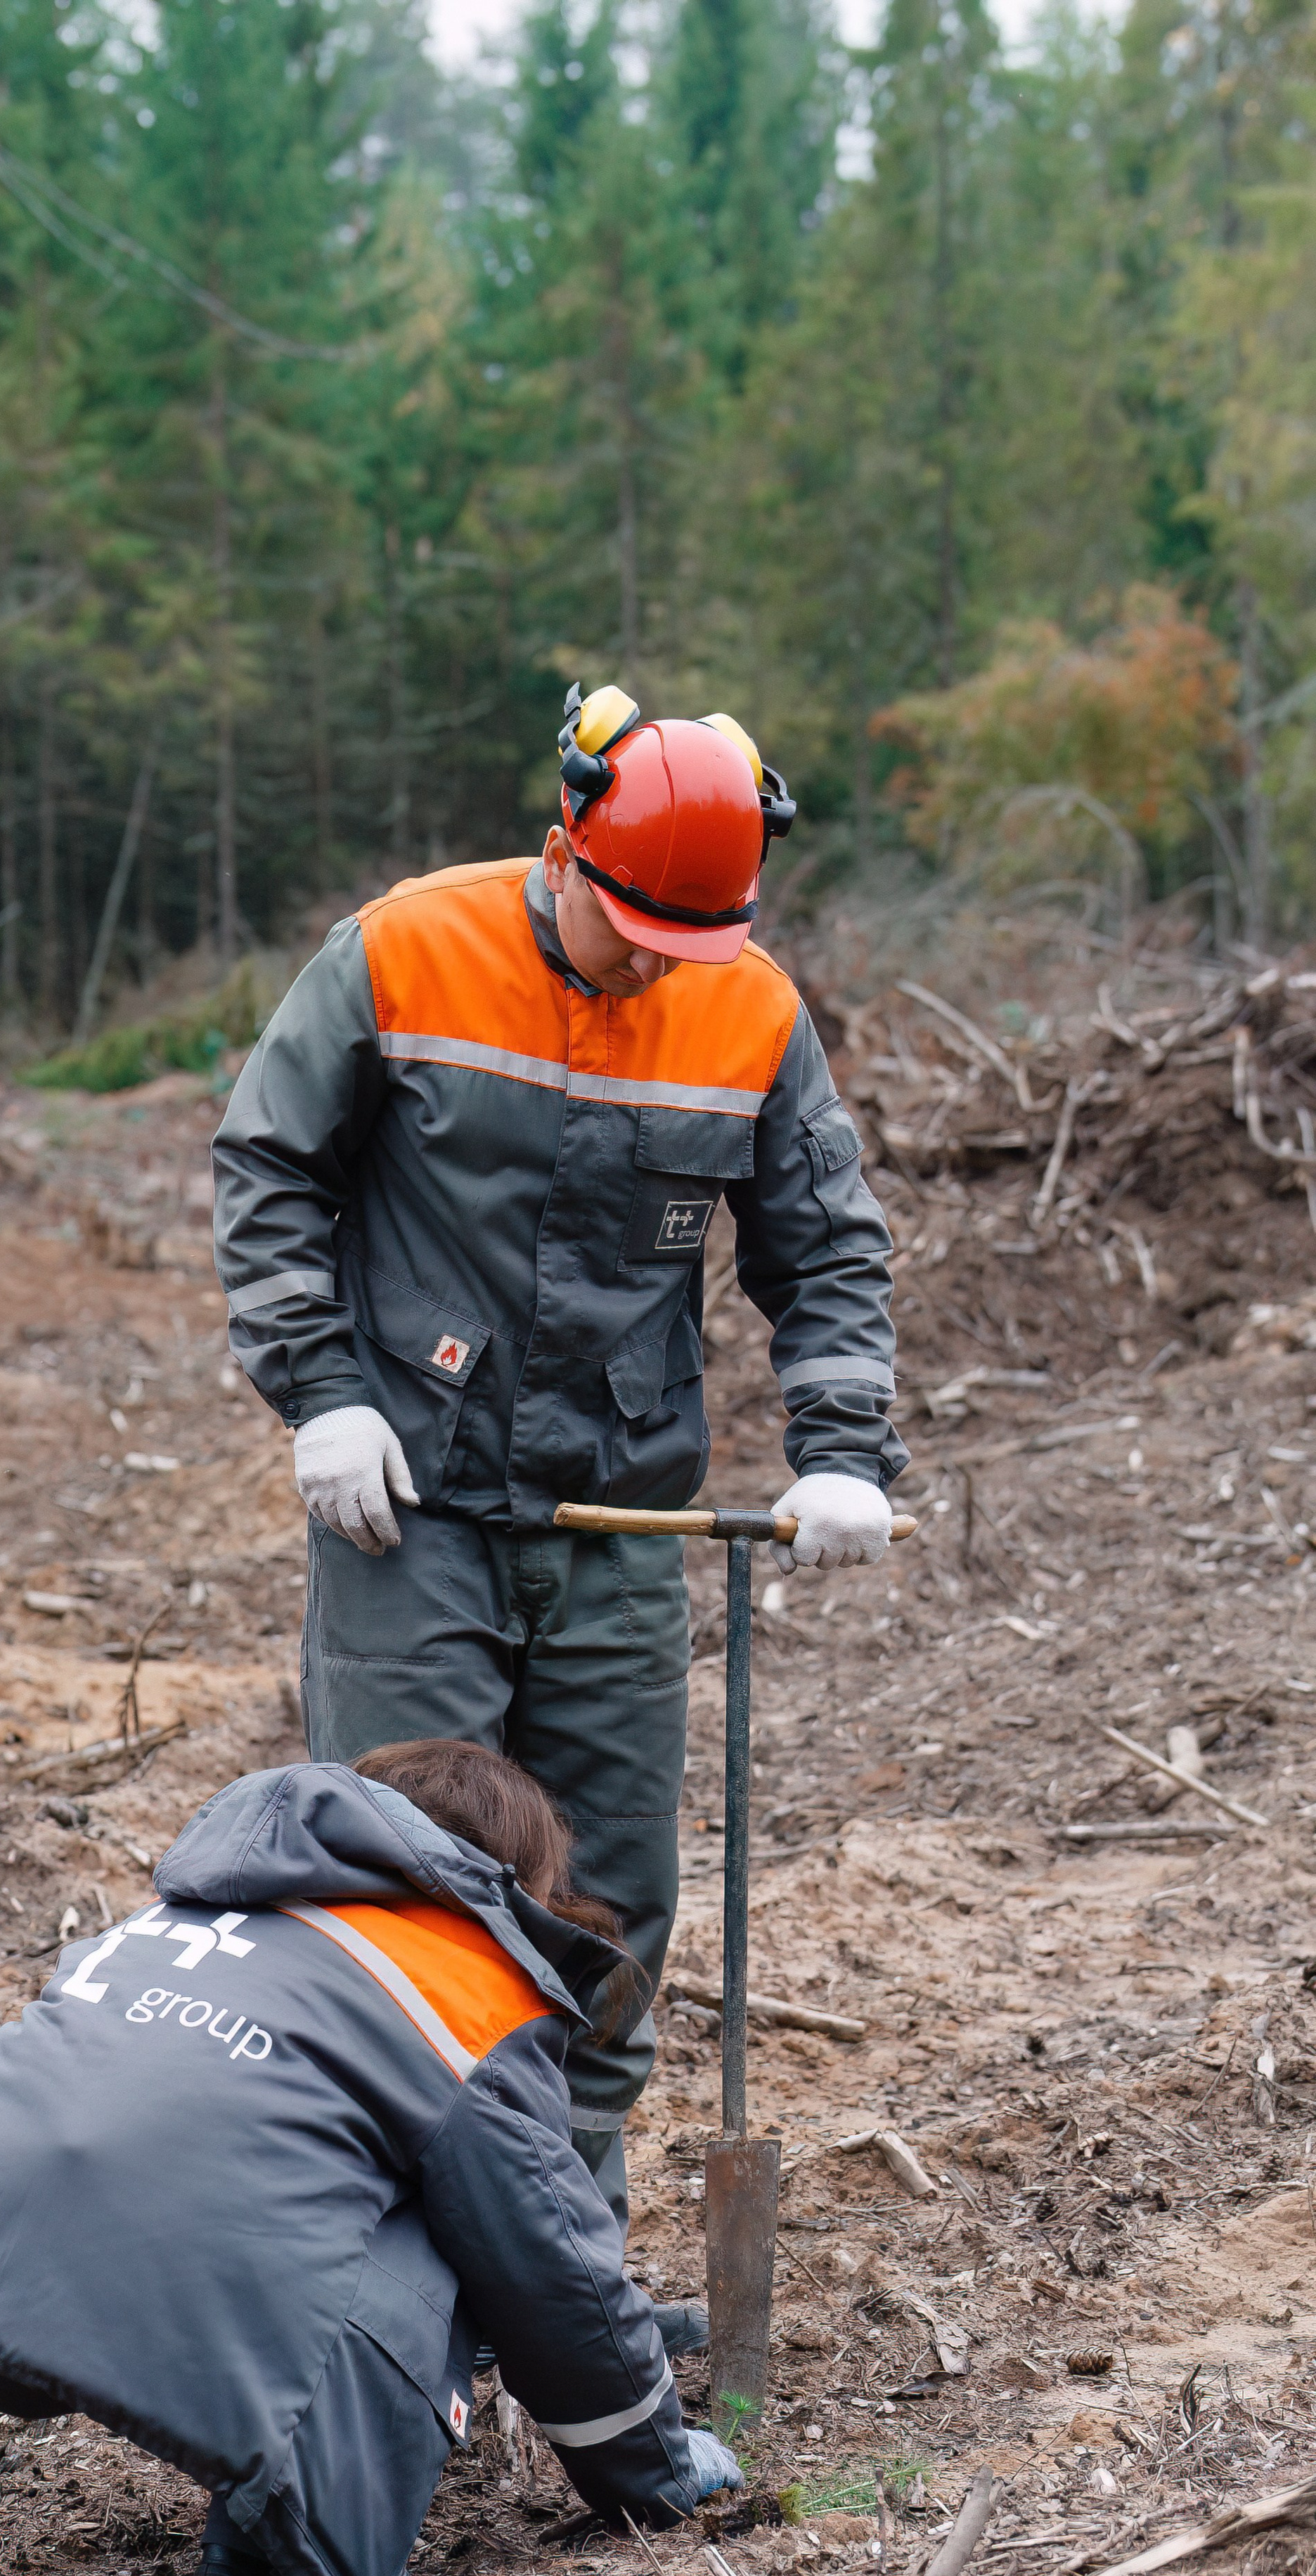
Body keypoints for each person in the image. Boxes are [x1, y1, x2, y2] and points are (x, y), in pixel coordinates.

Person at [212, 685, 903, 2220]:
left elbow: (826, 1245)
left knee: (603, 1908)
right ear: (560, 853)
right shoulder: (405, 949)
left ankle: (557, 2262)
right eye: (633, 930)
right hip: (413, 1504)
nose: (657, 962)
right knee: (402, 1880)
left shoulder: (749, 1010)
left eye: (690, 942)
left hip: (618, 1522)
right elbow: (268, 1167)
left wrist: (842, 1446)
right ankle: (379, 2262)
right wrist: (320, 1391)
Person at [0, 1740, 742, 2576]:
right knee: (454, 2220)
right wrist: (653, 2473)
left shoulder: (173, 1917)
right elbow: (550, 2274)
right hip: (202, 2323)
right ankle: (254, 2554)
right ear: (510, 1880)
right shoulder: (466, 1986)